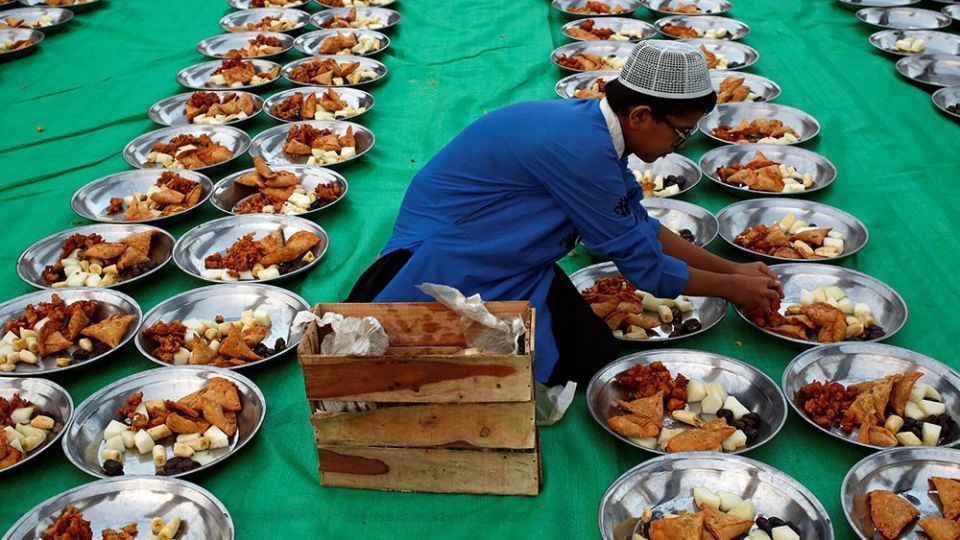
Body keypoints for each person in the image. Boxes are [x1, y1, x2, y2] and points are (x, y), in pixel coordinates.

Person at [347, 40, 782, 385]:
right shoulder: (583, 152)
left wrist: (734, 268)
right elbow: (646, 270)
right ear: (642, 115)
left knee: (588, 351)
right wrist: (731, 290)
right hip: (443, 258)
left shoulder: (594, 128)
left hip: (497, 242)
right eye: (681, 134)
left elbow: (636, 223)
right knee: (567, 366)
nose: (679, 146)